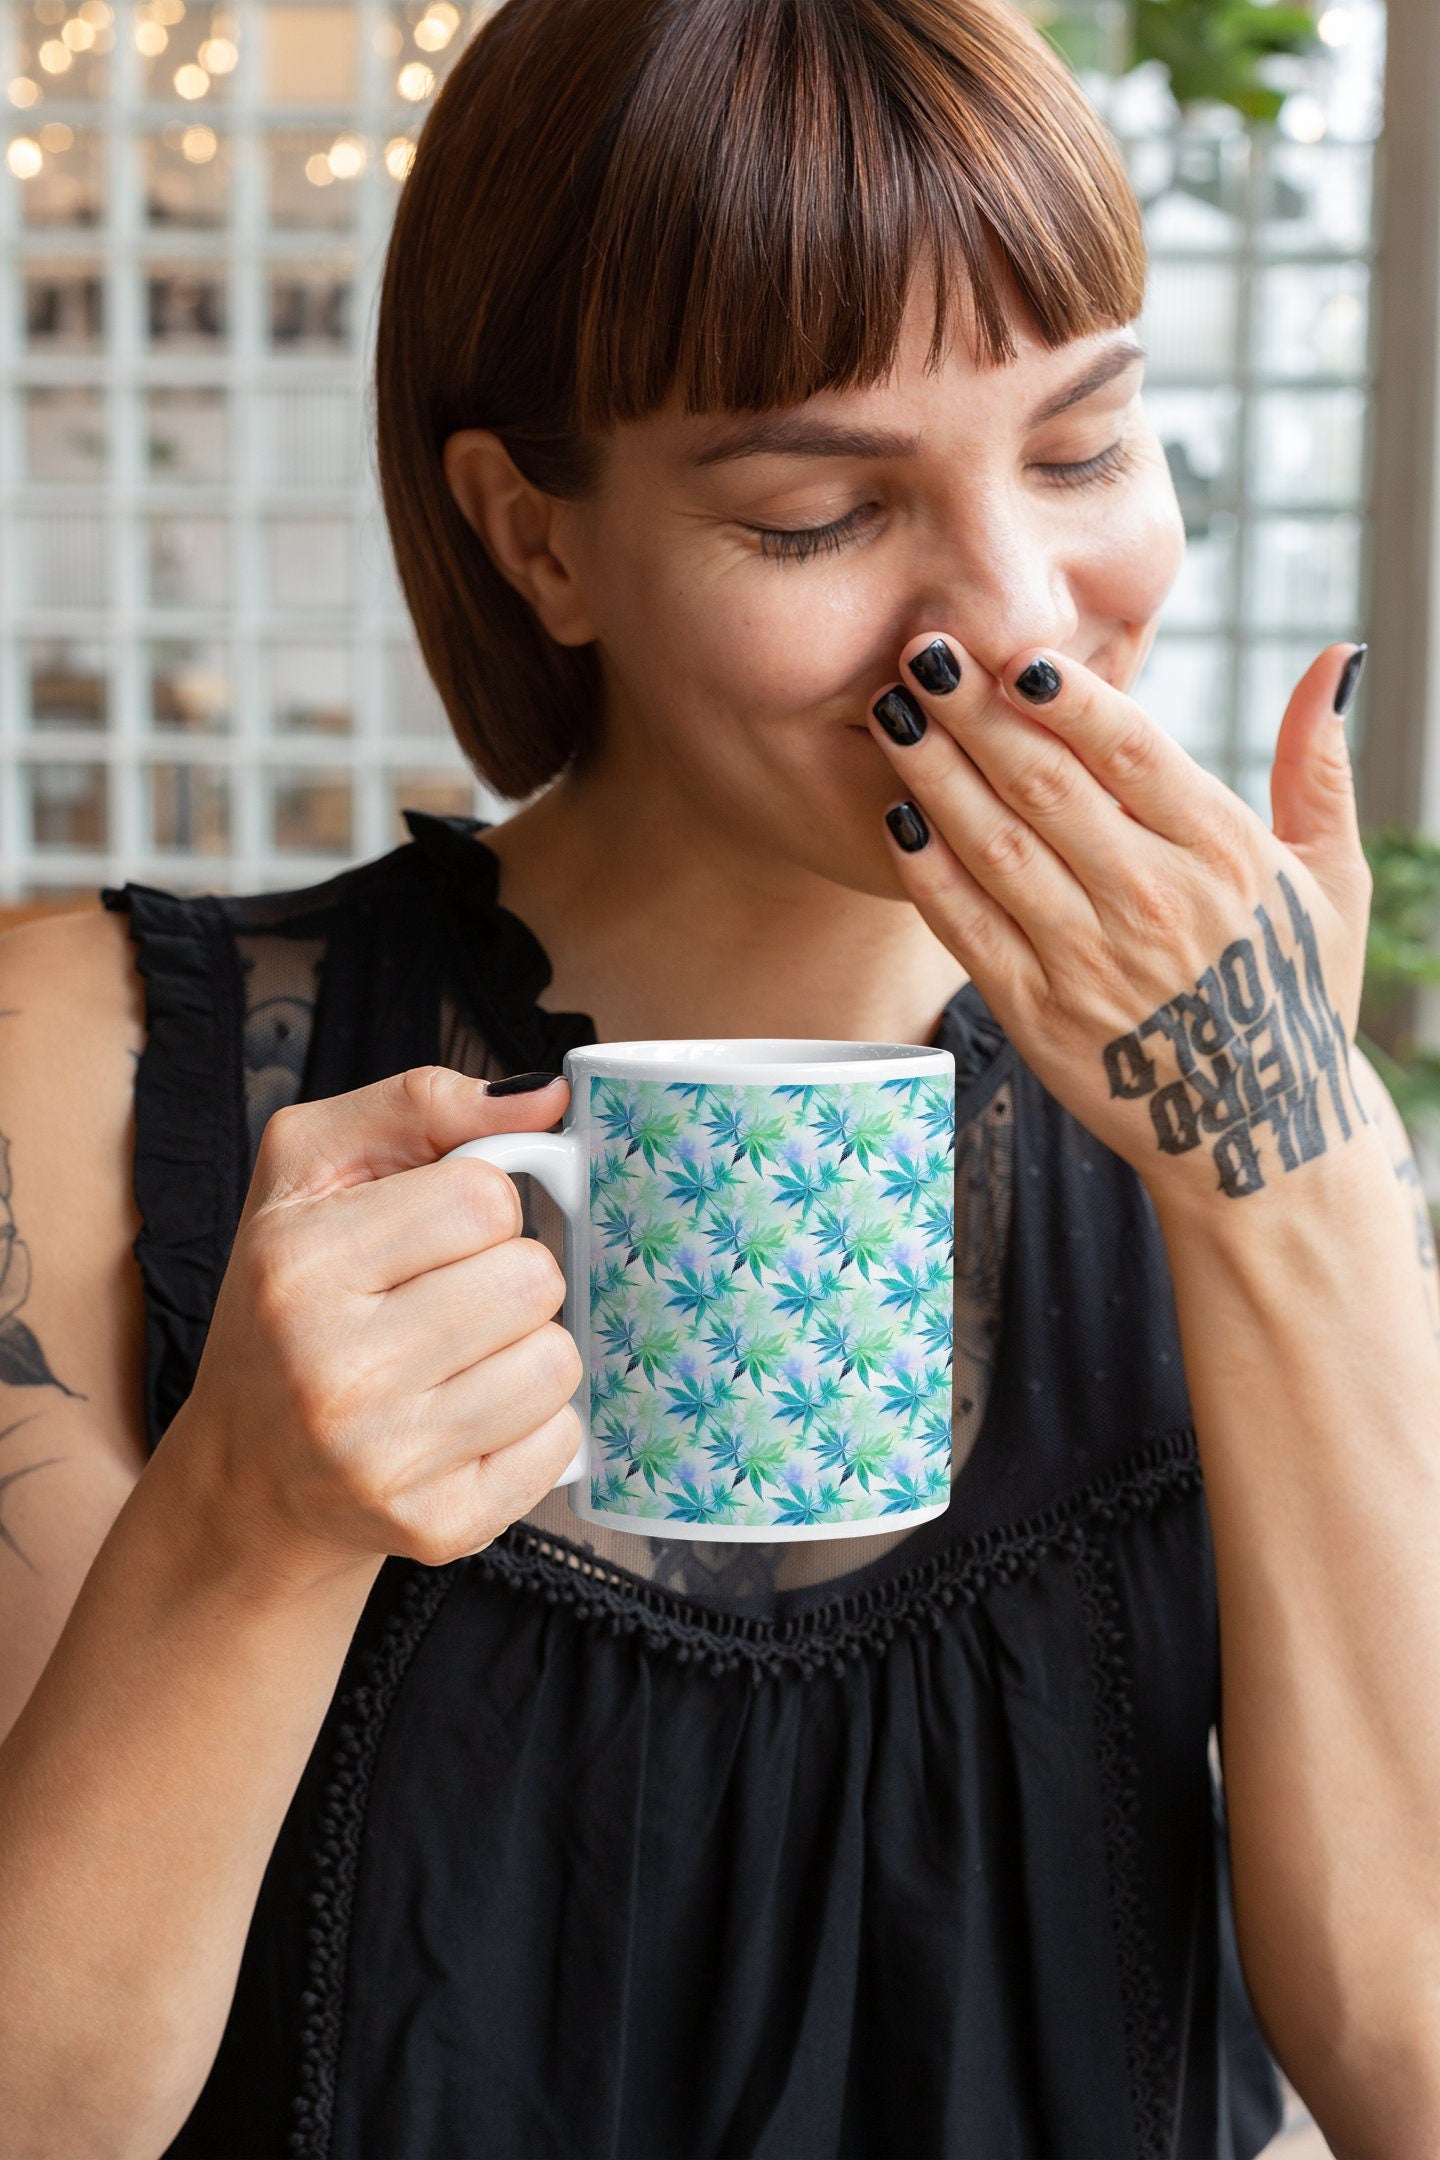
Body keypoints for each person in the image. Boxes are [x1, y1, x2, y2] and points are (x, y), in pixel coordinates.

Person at [0, 0, 1437, 2153]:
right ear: (538, 539)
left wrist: (1282, 1161)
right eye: (812, 513)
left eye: (1080, 446)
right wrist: (248, 1524)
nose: (1025, 611)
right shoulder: (86, 1068)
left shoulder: (1257, 1082)